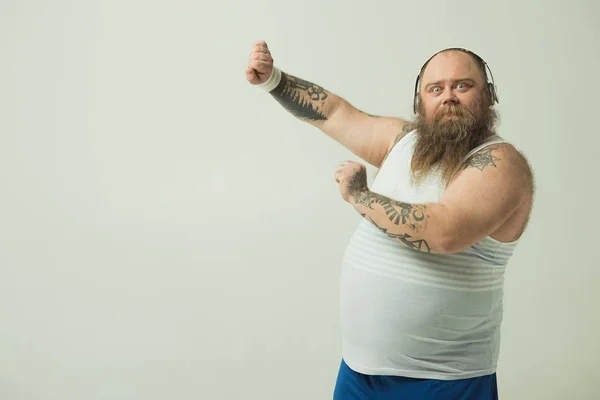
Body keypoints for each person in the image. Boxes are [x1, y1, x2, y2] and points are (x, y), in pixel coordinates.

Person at [246, 40, 534, 400]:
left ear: (487, 95)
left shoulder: (500, 164)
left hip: (444, 381)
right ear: (420, 101)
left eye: (462, 85)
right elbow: (333, 113)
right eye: (436, 88)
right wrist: (273, 79)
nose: (448, 97)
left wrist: (360, 196)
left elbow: (444, 231)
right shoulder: (402, 142)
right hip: (359, 373)